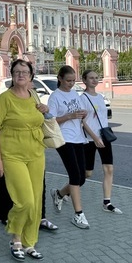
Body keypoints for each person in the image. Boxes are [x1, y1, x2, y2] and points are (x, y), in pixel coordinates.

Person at [0, 59, 49, 262]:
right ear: (12, 75)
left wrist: (44, 110)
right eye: (16, 71)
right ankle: (15, 237)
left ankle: (29, 242)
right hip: (12, 154)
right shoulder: (5, 99)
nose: (20, 75)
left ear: (31, 76)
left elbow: (39, 118)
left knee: (36, 202)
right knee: (24, 201)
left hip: (36, 153)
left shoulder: (33, 95)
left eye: (24, 72)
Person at [48, 66, 91, 229]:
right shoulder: (55, 97)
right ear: (59, 78)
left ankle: (59, 194)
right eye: (68, 81)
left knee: (81, 178)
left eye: (73, 80)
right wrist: (69, 116)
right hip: (63, 139)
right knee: (74, 175)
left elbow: (80, 110)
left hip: (78, 138)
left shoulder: (74, 93)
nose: (71, 84)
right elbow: (51, 121)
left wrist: (83, 113)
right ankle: (78, 214)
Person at [79, 70, 122, 214]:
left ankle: (107, 202)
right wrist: (95, 137)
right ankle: (62, 193)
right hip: (90, 139)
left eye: (96, 78)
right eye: (91, 78)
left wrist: (101, 135)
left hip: (104, 137)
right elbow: (82, 121)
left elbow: (103, 117)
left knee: (109, 169)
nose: (94, 80)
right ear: (84, 80)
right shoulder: (82, 98)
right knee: (87, 174)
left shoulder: (101, 96)